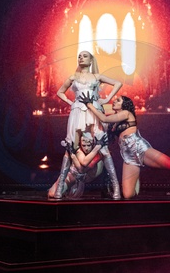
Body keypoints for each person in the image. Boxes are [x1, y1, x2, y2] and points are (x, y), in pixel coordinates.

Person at [77, 93, 170, 199]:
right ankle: (136, 179)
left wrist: (89, 105)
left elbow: (104, 118)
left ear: (125, 104)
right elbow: (102, 119)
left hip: (140, 149)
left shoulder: (126, 113)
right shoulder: (115, 118)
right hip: (129, 157)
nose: (114, 101)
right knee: (128, 195)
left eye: (118, 100)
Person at [49, 50, 123, 200]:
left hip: (94, 110)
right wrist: (71, 102)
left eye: (85, 56)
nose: (81, 58)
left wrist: (106, 99)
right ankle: (59, 189)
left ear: (91, 60)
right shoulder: (73, 77)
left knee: (103, 146)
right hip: (77, 112)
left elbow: (118, 83)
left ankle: (116, 188)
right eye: (79, 56)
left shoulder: (96, 76)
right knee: (71, 146)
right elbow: (60, 92)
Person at [48, 131, 108, 199]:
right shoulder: (79, 150)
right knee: (51, 193)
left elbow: (82, 168)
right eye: (84, 145)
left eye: (88, 145)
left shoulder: (98, 154)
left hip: (83, 177)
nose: (86, 148)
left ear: (93, 144)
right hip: (72, 175)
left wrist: (73, 156)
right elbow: (81, 167)